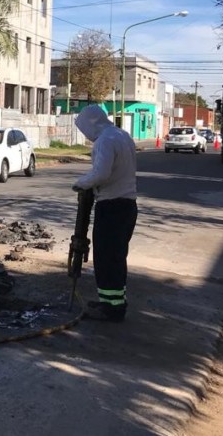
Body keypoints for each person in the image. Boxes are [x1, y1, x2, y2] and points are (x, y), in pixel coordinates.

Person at [73, 104, 138, 322]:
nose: (86, 135)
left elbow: (101, 173)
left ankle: (112, 310)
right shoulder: (121, 135)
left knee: (107, 258)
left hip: (112, 205)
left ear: (91, 124)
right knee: (116, 257)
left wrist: (81, 183)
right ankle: (112, 302)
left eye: (84, 129)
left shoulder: (105, 141)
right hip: (127, 205)